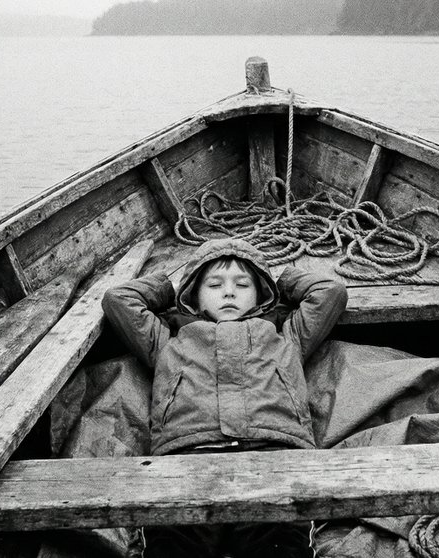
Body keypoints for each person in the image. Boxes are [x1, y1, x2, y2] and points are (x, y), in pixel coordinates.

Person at [102, 237, 347, 558]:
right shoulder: (167, 339)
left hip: (274, 454)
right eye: (214, 284)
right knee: (176, 542)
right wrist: (168, 289)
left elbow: (330, 294)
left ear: (261, 294)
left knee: (278, 543)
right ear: (194, 296)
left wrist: (284, 280)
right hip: (187, 457)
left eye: (243, 285)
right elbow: (118, 299)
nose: (229, 292)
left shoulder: (286, 335)